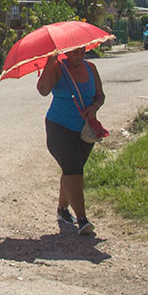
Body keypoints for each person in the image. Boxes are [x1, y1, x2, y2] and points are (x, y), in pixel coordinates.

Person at [37, 45, 105, 235]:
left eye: (82, 51)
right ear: (67, 52)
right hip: (59, 126)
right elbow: (43, 90)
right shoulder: (58, 68)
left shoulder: (91, 68)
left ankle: (62, 210)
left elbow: (100, 95)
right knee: (74, 169)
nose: (79, 55)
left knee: (73, 169)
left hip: (84, 128)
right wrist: (49, 63)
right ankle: (82, 220)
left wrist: (94, 107)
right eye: (75, 52)